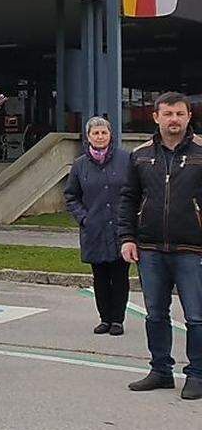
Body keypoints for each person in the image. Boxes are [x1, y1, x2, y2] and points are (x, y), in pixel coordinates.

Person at [118, 92, 202, 400]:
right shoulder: (139, 155)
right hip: (150, 248)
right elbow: (128, 199)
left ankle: (197, 374)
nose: (174, 119)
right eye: (167, 114)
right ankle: (160, 371)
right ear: (156, 117)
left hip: (193, 249)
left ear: (188, 116)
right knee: (155, 314)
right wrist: (127, 238)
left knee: (196, 316)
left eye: (179, 114)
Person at [64, 116, 132, 336]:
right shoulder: (80, 165)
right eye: (96, 133)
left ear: (110, 135)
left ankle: (118, 320)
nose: (100, 137)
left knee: (120, 276)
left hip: (120, 229)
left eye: (104, 132)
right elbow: (71, 196)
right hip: (94, 229)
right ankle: (104, 319)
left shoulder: (126, 160)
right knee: (100, 277)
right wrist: (84, 218)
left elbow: (136, 192)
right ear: (88, 136)